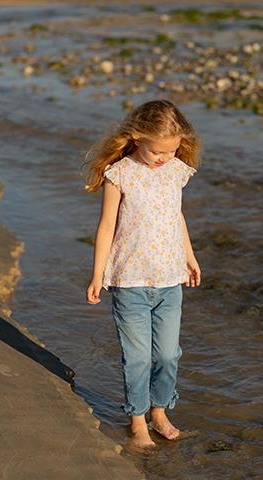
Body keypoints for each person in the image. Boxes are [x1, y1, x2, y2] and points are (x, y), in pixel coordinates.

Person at [83, 99, 201, 449]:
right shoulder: (119, 174)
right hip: (129, 281)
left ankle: (160, 410)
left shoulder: (176, 171)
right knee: (137, 358)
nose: (164, 157)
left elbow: (176, 217)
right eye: (158, 151)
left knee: (167, 355)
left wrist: (190, 256)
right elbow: (106, 227)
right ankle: (137, 420)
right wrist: (97, 275)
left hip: (169, 280)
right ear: (137, 138)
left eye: (172, 150)